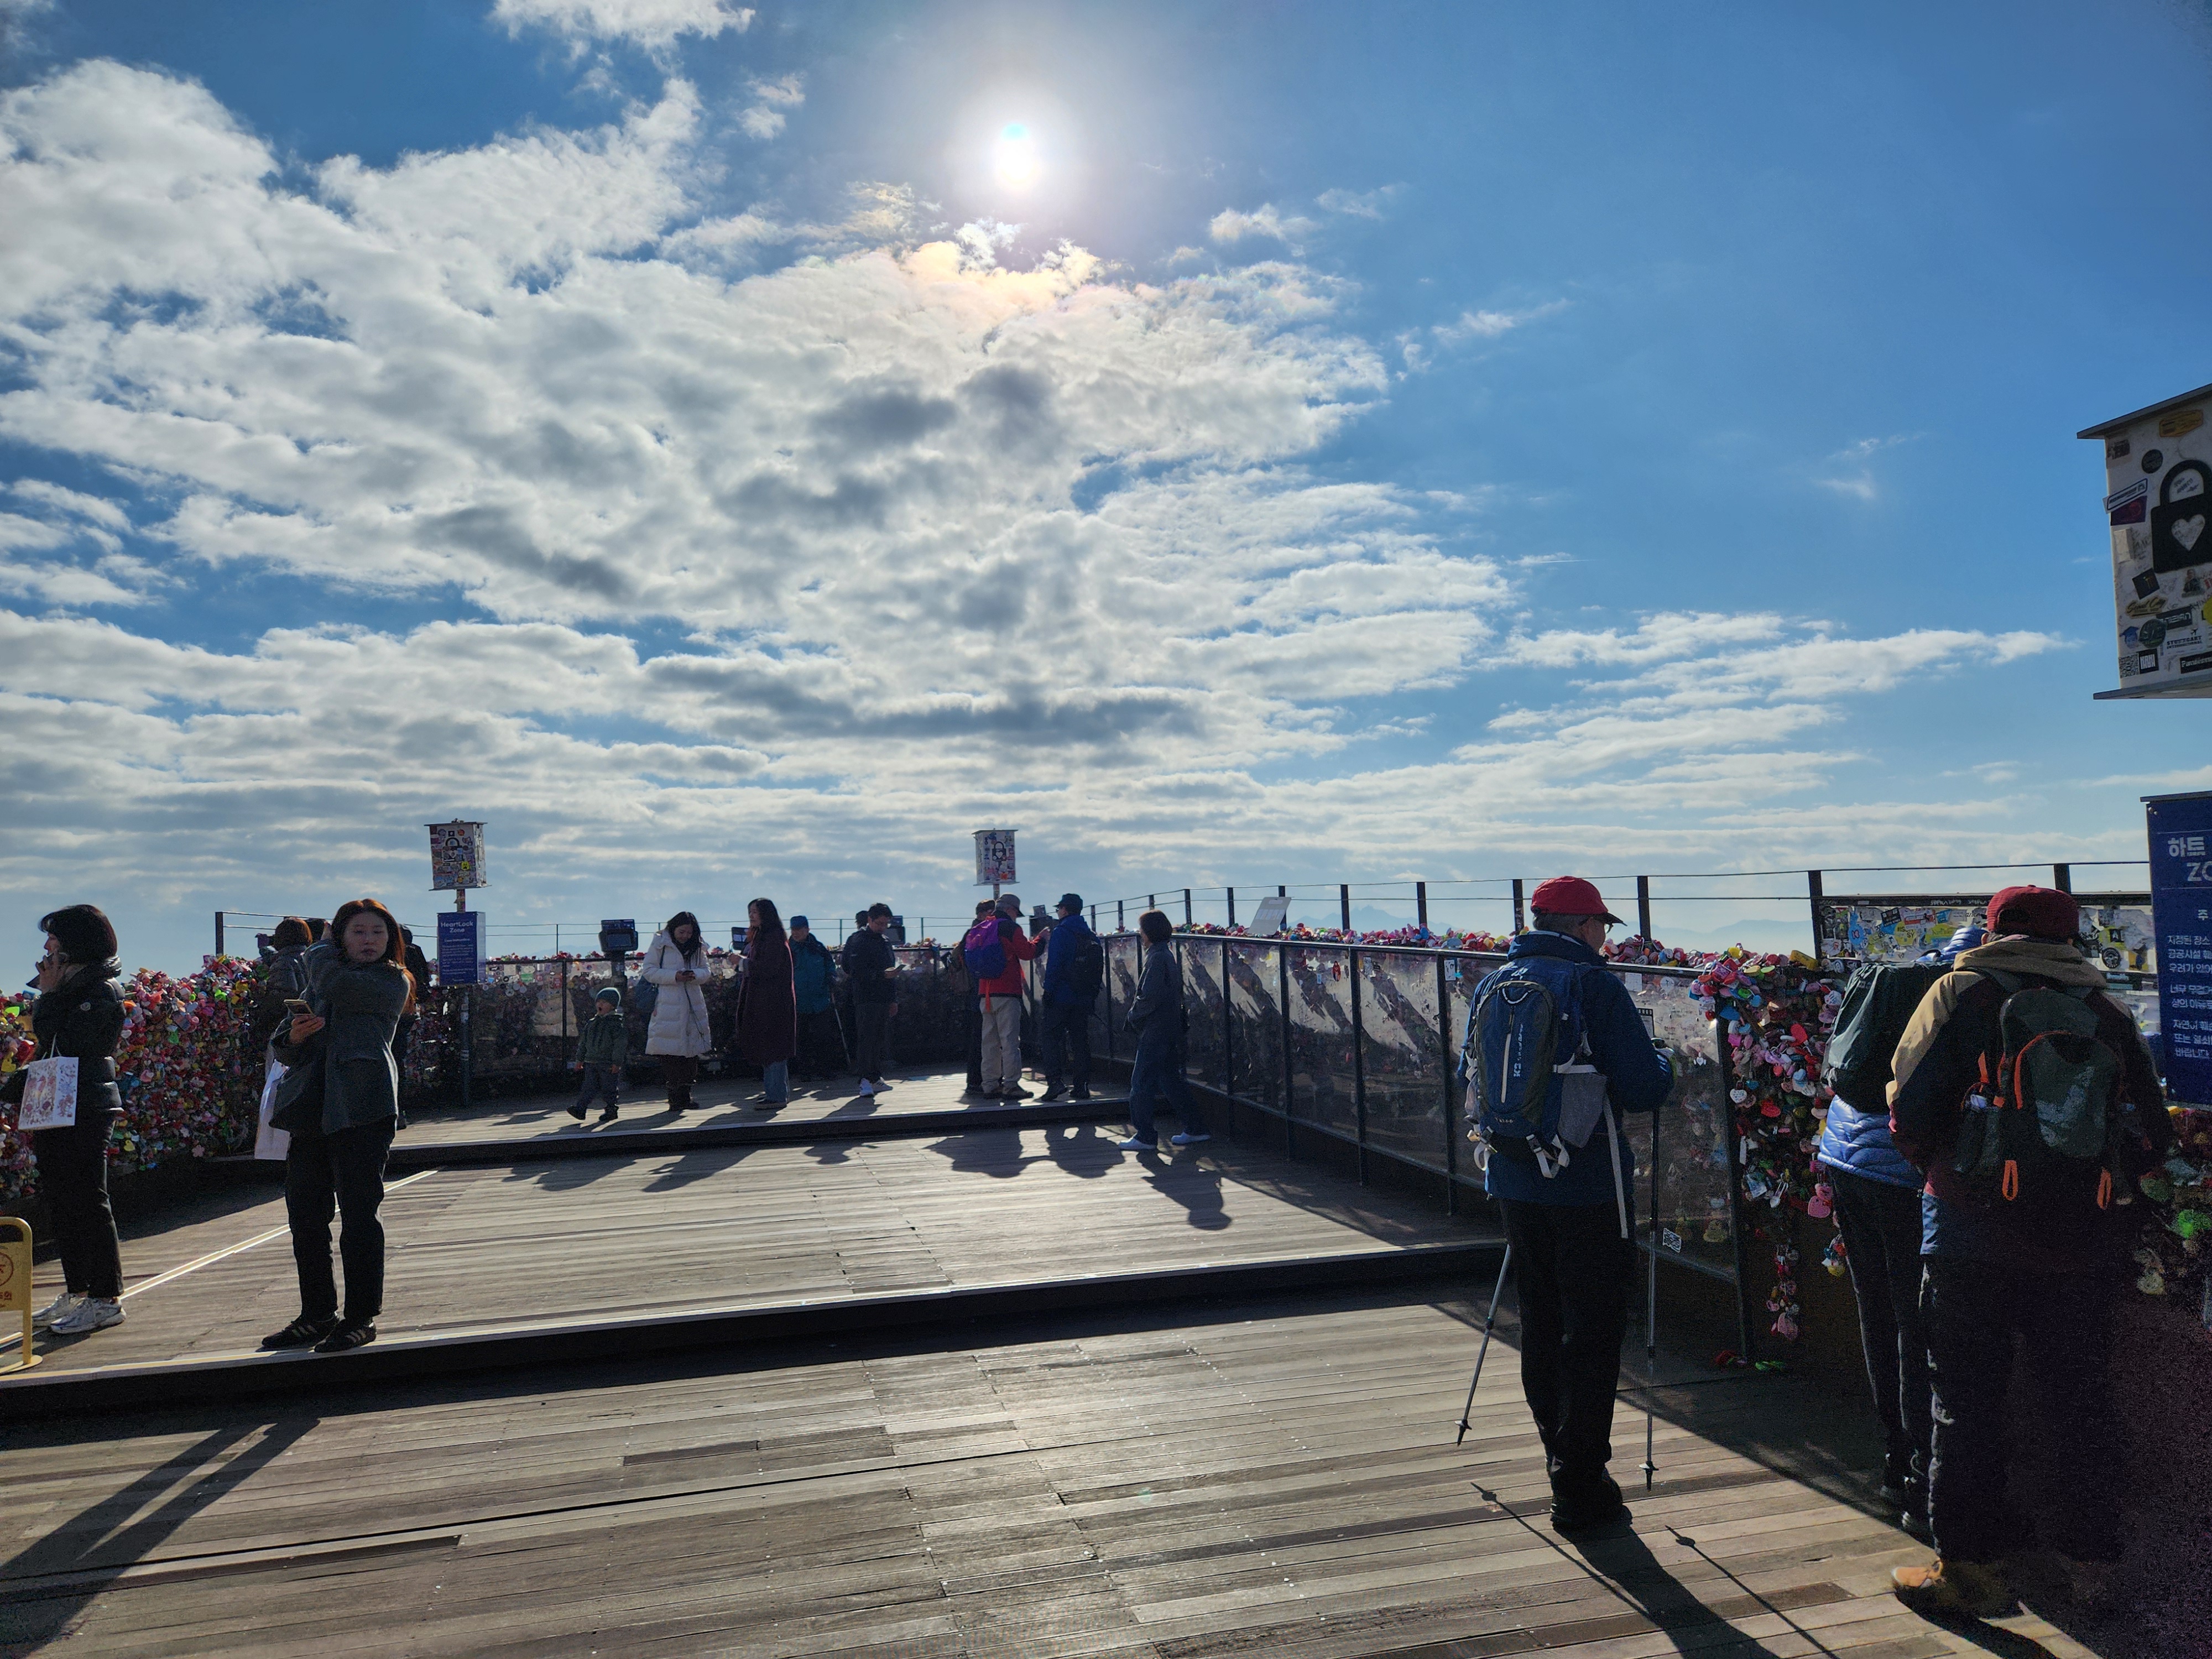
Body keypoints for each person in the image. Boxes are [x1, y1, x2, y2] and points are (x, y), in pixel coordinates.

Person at [1886, 886, 2170, 1618]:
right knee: (2080, 1399)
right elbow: (2152, 1133)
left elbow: (1908, 1111)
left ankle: (1968, 1573)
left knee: (1966, 1402)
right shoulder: (2107, 1010)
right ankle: (2091, 1564)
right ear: (2073, 938)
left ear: (1993, 932)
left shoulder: (1960, 994)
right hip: (2081, 1242)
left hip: (1969, 1234)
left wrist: (1956, 1173)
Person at [1462, 877, 1673, 1533]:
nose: (1604, 938)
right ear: (1583, 926)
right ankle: (1580, 1486)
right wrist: (1664, 1061)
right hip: (1586, 1183)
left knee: (1542, 1318)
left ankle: (1559, 1461)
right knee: (1594, 1327)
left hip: (1512, 1175)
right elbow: (1642, 1088)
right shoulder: (1593, 986)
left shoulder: (1494, 982)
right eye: (1602, 926)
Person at [1814, 923, 1984, 1537]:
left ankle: (1894, 1457)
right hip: (1900, 1176)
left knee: (1877, 1311)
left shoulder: (1893, 981)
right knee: (1917, 1324)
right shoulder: (1967, 996)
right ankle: (1918, 1476)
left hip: (1844, 1156)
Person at [261, 896, 415, 1353]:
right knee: (306, 1218)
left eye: (378, 933)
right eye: (358, 932)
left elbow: (333, 980)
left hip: (364, 1108)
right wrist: (293, 1036)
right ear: (343, 939)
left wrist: (320, 948)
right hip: (313, 1109)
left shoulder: (391, 980)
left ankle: (361, 1317)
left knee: (359, 1216)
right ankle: (318, 1314)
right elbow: (282, 1043)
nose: (369, 940)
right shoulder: (325, 980)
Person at [3, 905, 128, 1337]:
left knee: (88, 1197)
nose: (46, 947)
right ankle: (79, 1290)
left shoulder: (101, 988)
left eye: (53, 939)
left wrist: (51, 995)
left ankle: (106, 1299)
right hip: (56, 1102)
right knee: (61, 1198)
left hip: (87, 1102)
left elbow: (70, 1041)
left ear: (76, 943)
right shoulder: (72, 986)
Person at [1119, 909, 1204, 1152]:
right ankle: (1196, 1128)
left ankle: (1145, 1136)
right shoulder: (1165, 955)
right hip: (1169, 1027)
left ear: (1149, 933)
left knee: (1141, 1081)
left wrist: (1133, 1016)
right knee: (1169, 1079)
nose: (1140, 934)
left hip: (1156, 1029)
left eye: (1142, 930)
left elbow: (1149, 996)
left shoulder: (1156, 958)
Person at [969, 893, 1039, 1101]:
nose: (1016, 916)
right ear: (1010, 910)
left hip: (985, 992)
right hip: (1007, 991)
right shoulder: (1010, 928)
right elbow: (1027, 952)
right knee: (1009, 1041)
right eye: (1016, 913)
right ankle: (1011, 1085)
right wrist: (1041, 940)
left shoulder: (981, 926)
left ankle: (990, 1085)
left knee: (989, 1043)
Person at [642, 910, 712, 1114]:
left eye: (689, 933)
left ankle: (685, 1096)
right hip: (668, 1003)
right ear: (673, 929)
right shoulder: (660, 944)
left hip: (692, 1003)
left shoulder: (698, 946)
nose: (685, 937)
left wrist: (693, 975)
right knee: (671, 1055)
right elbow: (648, 971)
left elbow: (706, 971)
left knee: (691, 1053)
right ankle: (675, 1098)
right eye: (682, 932)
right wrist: (675, 976)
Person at [1037, 893, 1100, 1102]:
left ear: (1064, 909)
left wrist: (1048, 991)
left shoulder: (1062, 932)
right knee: (1080, 1041)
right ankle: (1082, 1085)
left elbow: (1054, 965)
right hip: (1083, 997)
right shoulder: (1090, 935)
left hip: (1061, 996)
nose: (1058, 912)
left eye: (1059, 909)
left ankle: (1055, 1082)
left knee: (1051, 1038)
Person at [737, 898, 796, 1107]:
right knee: (771, 1047)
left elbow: (767, 968)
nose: (751, 915)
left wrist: (742, 963)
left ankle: (777, 1095)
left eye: (756, 911)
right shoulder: (766, 936)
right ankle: (776, 1092)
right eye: (750, 911)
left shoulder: (772, 938)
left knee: (774, 1048)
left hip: (773, 1002)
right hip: (767, 1001)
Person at [841, 902, 899, 1096]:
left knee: (879, 1038)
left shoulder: (885, 941)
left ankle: (874, 1077)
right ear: (870, 920)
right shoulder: (858, 940)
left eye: (886, 924)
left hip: (882, 996)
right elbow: (853, 970)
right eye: (880, 923)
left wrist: (893, 999)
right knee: (866, 1038)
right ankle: (864, 1079)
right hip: (865, 997)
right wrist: (881, 975)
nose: (883, 927)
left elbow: (890, 970)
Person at [788, 916, 843, 1080]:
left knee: (824, 1037)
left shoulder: (819, 948)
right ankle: (804, 1071)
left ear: (807, 929)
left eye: (799, 929)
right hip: (798, 1001)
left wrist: (832, 977)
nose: (796, 933)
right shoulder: (788, 950)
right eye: (793, 929)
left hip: (820, 999)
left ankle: (825, 1069)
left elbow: (830, 966)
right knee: (801, 1038)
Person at [567, 985, 627, 1124]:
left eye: (604, 1002)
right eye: (598, 1002)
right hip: (591, 1061)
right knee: (588, 1087)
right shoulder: (592, 1023)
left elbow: (620, 1046)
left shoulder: (616, 1024)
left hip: (607, 1062)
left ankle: (611, 1110)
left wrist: (617, 1063)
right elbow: (584, 1043)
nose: (600, 1005)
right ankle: (580, 1109)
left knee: (609, 1088)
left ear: (613, 1006)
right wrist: (579, 1059)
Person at [950, 900, 990, 1095]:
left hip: (973, 995)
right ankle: (979, 1080)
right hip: (980, 993)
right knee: (982, 1039)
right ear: (982, 914)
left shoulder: (970, 933)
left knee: (977, 1039)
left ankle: (975, 1081)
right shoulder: (979, 933)